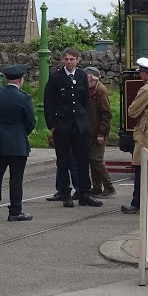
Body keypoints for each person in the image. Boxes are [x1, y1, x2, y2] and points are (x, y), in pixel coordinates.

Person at [44, 47, 102, 207]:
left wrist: (88, 123)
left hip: (79, 126)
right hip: (62, 126)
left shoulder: (82, 76)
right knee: (63, 162)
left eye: (72, 59)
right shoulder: (56, 78)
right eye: (66, 59)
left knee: (83, 160)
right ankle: (65, 194)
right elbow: (49, 103)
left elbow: (86, 101)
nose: (69, 62)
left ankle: (84, 193)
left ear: (78, 60)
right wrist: (53, 125)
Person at [0, 65, 37, 221]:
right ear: (21, 80)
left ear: (6, 79)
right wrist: (21, 133)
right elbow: (31, 122)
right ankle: (15, 210)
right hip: (17, 142)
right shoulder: (24, 98)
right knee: (16, 178)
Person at [121, 57, 148, 214]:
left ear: (145, 74)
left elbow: (132, 111)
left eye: (140, 72)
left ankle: (137, 202)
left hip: (146, 135)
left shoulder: (147, 89)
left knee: (141, 169)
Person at [85, 66, 116, 198]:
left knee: (96, 159)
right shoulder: (90, 89)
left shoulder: (100, 91)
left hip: (98, 132)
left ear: (91, 78)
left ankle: (109, 186)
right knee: (92, 160)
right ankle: (97, 187)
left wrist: (102, 133)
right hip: (91, 131)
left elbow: (106, 114)